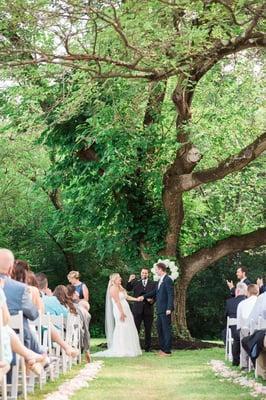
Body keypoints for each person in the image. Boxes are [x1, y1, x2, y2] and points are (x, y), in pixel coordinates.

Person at [0, 249, 43, 355]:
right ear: (11, 268)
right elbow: (33, 315)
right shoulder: (20, 289)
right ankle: (37, 357)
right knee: (24, 324)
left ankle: (38, 356)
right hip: (11, 344)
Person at [93, 273, 142, 357]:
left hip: (126, 309)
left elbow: (127, 297)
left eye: (120, 277)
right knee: (122, 327)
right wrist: (121, 313)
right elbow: (117, 301)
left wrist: (137, 299)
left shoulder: (121, 287)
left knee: (129, 327)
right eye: (119, 278)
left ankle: (129, 348)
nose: (120, 279)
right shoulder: (112, 288)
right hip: (119, 310)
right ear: (114, 280)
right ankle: (121, 348)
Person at [138, 262, 174, 356]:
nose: (156, 271)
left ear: (161, 269)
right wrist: (143, 296)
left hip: (166, 309)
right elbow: (154, 292)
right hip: (159, 309)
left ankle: (167, 351)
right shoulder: (160, 280)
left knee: (166, 330)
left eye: (156, 269)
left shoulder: (168, 280)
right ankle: (162, 349)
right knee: (160, 329)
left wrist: (169, 308)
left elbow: (171, 295)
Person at [126, 268, 156, 352]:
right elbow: (128, 289)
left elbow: (155, 294)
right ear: (141, 273)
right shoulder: (136, 282)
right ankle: (135, 347)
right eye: (143, 273)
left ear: (148, 274)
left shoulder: (153, 283)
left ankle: (148, 348)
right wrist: (129, 280)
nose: (144, 274)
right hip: (137, 309)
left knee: (148, 329)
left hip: (148, 309)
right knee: (135, 329)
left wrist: (152, 301)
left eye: (146, 273)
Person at [237, 284, 259, 370]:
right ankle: (255, 364)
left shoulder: (242, 303)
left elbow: (239, 320)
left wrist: (240, 328)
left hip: (246, 330)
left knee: (242, 337)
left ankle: (244, 364)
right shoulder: (260, 302)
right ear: (257, 292)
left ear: (248, 292)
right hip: (258, 330)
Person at [225, 282, 247, 366]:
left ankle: (235, 361)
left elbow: (226, 316)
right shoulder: (247, 302)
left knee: (235, 337)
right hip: (246, 329)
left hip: (233, 329)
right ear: (245, 292)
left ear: (237, 291)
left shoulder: (229, 302)